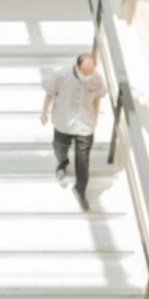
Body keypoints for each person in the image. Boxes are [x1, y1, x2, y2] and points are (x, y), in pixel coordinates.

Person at [40, 52, 107, 211]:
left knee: (83, 162)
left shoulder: (96, 77)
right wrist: (44, 112)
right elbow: (49, 93)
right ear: (77, 66)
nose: (88, 76)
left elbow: (98, 97)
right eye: (85, 73)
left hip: (85, 125)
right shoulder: (61, 75)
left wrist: (95, 116)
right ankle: (62, 163)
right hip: (63, 122)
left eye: (91, 72)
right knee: (59, 147)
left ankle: (80, 190)